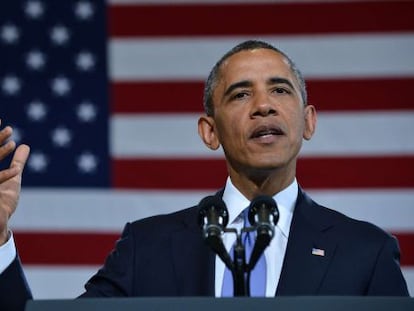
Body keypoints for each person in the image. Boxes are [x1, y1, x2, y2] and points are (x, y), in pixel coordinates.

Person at [0, 40, 409, 310]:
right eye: (241, 93)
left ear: (308, 122)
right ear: (209, 132)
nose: (264, 106)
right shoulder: (149, 248)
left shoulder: (365, 253)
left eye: (281, 90)